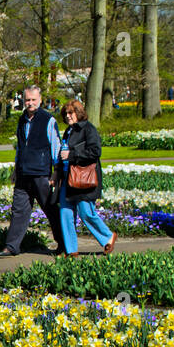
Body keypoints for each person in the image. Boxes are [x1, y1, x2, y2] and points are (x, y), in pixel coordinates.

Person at [0, 84, 62, 258]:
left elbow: (56, 147)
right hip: (23, 173)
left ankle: (64, 244)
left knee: (50, 209)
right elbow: (20, 147)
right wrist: (16, 169)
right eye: (27, 100)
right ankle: (11, 247)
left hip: (41, 173)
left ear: (40, 100)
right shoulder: (22, 119)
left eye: (33, 100)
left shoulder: (48, 120)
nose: (30, 103)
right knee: (19, 210)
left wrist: (56, 171)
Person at [57, 99, 115, 257]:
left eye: (71, 113)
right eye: (66, 113)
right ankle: (71, 250)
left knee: (86, 213)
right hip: (67, 179)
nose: (68, 116)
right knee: (66, 213)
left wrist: (72, 155)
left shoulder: (88, 129)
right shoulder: (68, 131)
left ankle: (108, 237)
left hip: (84, 179)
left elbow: (95, 151)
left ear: (78, 113)